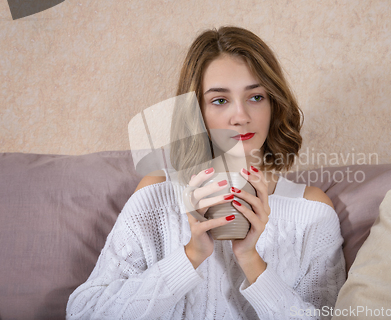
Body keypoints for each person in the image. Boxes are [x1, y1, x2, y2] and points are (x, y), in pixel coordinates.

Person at [66, 26, 345, 319]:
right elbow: (85, 313)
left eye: (256, 97)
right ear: (195, 111)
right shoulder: (158, 192)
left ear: (274, 104)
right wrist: (190, 255)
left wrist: (251, 260)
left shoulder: (310, 211)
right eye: (220, 100)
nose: (240, 116)